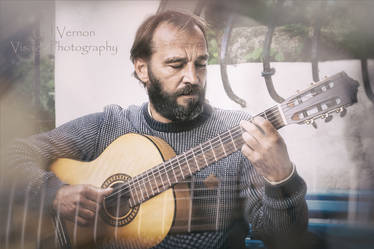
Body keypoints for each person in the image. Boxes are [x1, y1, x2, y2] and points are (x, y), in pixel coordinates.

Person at [6, 10, 308, 249]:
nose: (192, 77)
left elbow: (285, 241)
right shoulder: (108, 126)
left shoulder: (239, 132)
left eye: (200, 64)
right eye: (176, 65)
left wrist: (281, 178)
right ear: (142, 69)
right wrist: (55, 194)